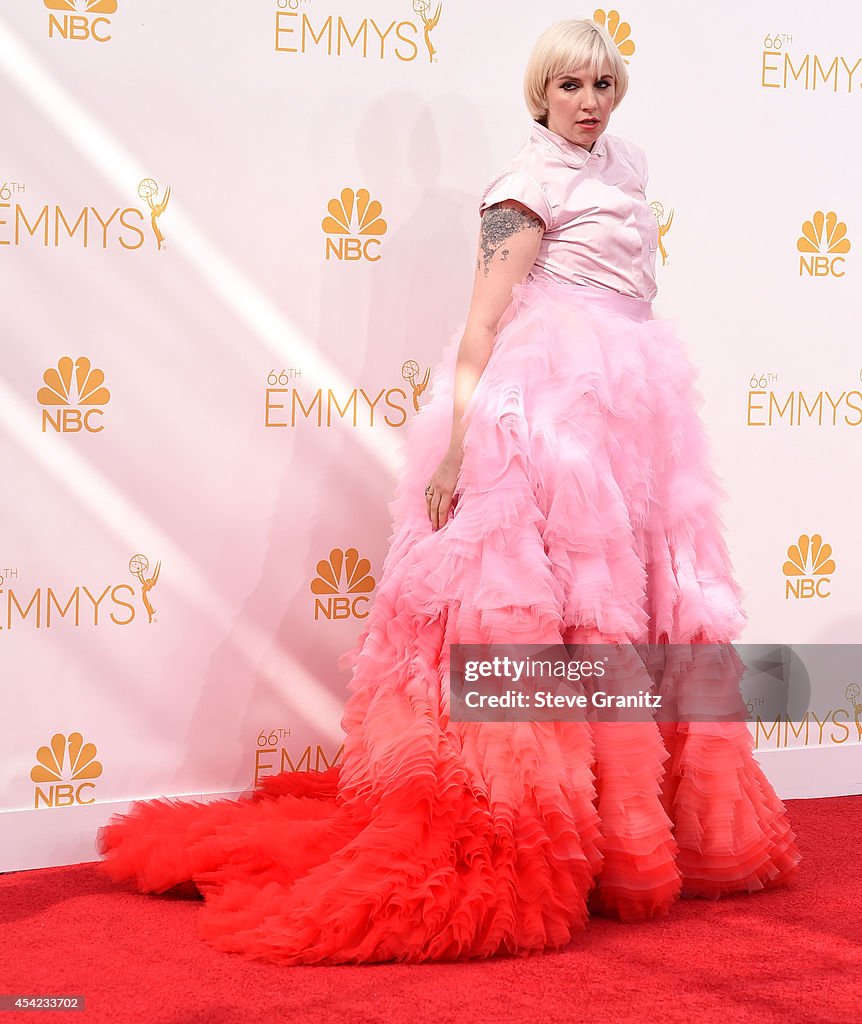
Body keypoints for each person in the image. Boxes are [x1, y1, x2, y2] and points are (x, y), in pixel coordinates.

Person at [96, 18, 801, 965]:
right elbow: (481, 325)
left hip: (633, 413)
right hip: (543, 412)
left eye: (602, 85)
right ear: (541, 93)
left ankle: (637, 827)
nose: (588, 103)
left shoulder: (626, 165)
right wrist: (457, 450)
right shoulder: (522, 184)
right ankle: (565, 829)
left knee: (647, 607)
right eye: (570, 87)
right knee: (554, 616)